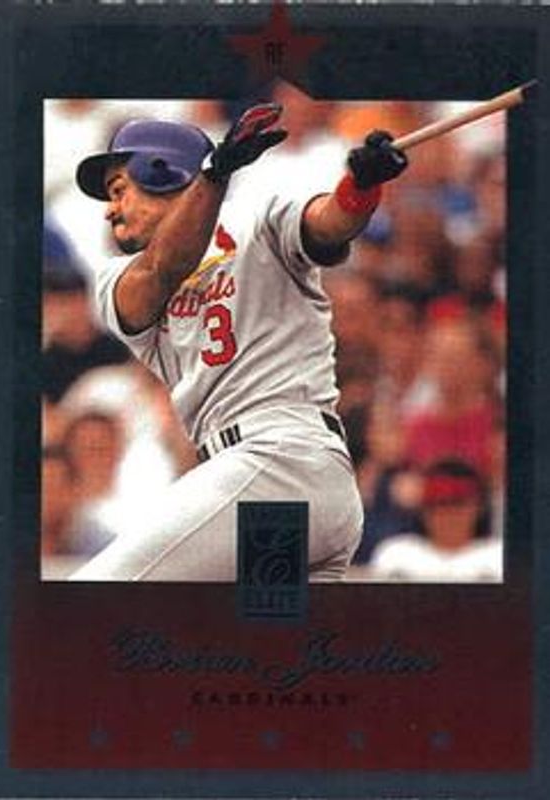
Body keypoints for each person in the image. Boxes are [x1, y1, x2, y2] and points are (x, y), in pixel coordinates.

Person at [69, 103, 408, 581]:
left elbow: (328, 224)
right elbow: (165, 268)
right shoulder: (116, 276)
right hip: (264, 479)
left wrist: (360, 187)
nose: (110, 210)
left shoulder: (256, 219)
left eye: (119, 189)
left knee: (95, 595)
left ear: (161, 172)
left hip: (279, 455)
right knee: (256, 631)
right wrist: (215, 175)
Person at [369, 458, 503, 583]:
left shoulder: (497, 557)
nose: (448, 513)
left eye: (457, 503)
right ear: (423, 509)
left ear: (479, 507)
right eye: (438, 503)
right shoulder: (395, 556)